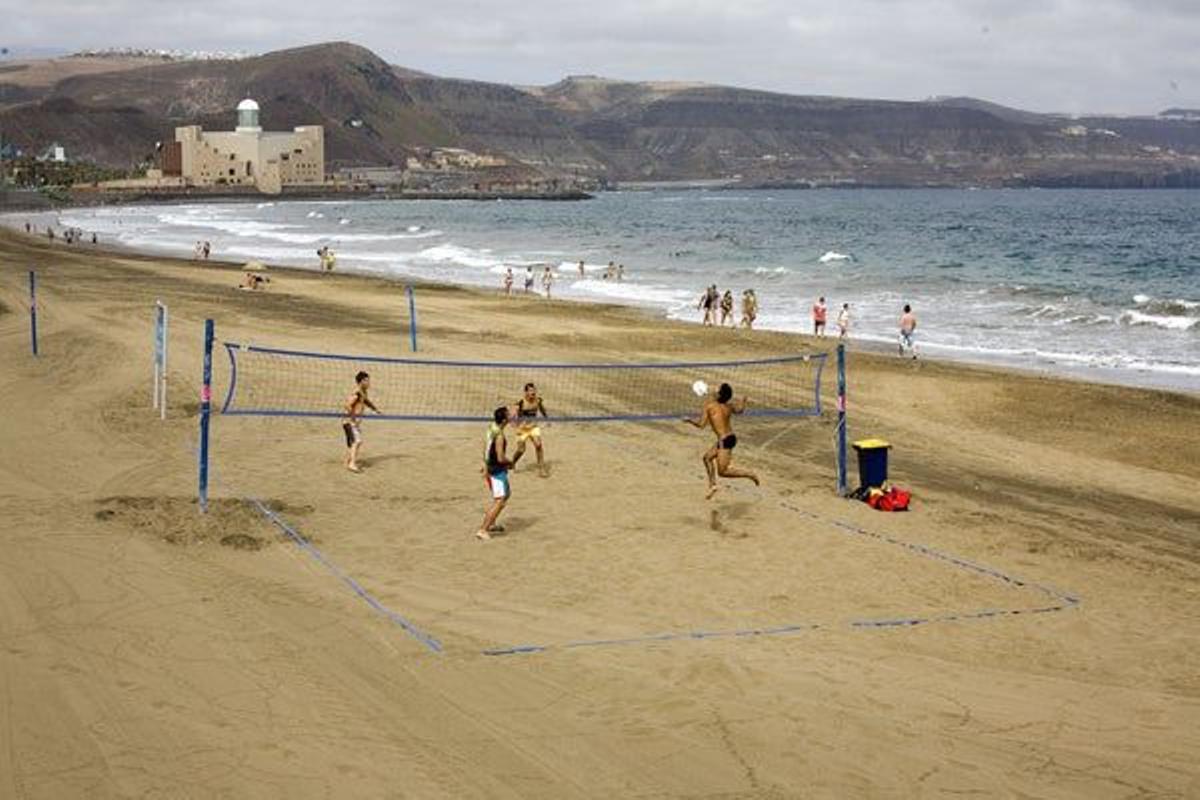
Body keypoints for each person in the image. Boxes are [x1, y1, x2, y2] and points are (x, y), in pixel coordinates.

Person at [683, 382, 760, 499]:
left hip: (725, 441)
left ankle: (749, 474)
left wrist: (689, 420)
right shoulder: (728, 406)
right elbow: (740, 411)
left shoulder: (709, 406)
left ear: (719, 395)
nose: (715, 391)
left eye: (718, 390)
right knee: (707, 458)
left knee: (723, 472)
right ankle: (713, 485)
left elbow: (701, 425)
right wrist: (744, 401)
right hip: (729, 438)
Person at [478, 405, 523, 540]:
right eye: (508, 415)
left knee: (505, 494)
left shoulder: (492, 427)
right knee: (500, 501)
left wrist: (485, 463)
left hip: (490, 468)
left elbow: (485, 447)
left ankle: (491, 524)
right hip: (496, 471)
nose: (511, 416)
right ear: (504, 420)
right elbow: (500, 457)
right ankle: (483, 529)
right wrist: (510, 463)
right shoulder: (500, 437)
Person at [342, 371, 380, 473]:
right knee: (357, 442)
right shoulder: (357, 393)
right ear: (361, 381)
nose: (369, 383)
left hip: (354, 423)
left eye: (368, 380)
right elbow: (347, 405)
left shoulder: (363, 392)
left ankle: (348, 461)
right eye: (366, 381)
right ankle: (352, 464)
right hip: (349, 422)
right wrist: (353, 417)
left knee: (353, 443)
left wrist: (375, 409)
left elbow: (366, 401)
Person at [514, 382, 549, 478]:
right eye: (530, 390)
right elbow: (514, 416)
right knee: (521, 450)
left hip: (533, 427)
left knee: (538, 445)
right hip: (522, 429)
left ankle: (541, 469)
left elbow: (542, 409)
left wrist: (547, 418)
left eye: (534, 390)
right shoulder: (521, 403)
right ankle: (512, 463)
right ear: (526, 392)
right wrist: (516, 426)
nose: (533, 392)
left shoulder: (538, 400)